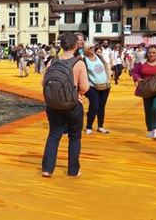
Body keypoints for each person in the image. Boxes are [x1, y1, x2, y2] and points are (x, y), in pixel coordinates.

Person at [41, 33, 89, 177]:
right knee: (74, 137)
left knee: (54, 135)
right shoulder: (79, 63)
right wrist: (78, 94)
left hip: (53, 105)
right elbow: (85, 86)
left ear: (61, 45)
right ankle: (73, 170)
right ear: (76, 46)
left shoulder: (52, 62)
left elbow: (43, 82)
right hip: (72, 105)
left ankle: (47, 169)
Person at [134, 45, 156, 140]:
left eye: (154, 52)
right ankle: (151, 130)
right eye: (149, 52)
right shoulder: (142, 63)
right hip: (146, 90)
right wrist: (138, 78)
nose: (151, 54)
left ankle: (155, 129)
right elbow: (135, 71)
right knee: (148, 110)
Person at [83, 43, 112, 135]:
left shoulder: (99, 56)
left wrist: (108, 78)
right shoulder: (84, 60)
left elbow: (106, 66)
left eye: (93, 47)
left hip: (105, 85)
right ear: (85, 49)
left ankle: (100, 126)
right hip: (93, 86)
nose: (92, 49)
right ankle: (89, 126)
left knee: (101, 107)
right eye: (90, 47)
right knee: (94, 106)